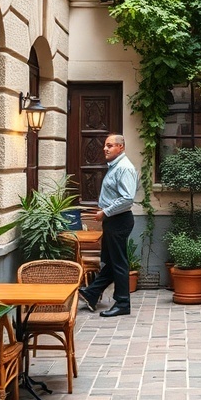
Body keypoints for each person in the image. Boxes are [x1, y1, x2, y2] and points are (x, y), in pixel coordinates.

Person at [79, 134, 138, 317]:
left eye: (110, 145)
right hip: (113, 220)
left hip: (119, 221)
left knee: (118, 263)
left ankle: (122, 304)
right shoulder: (115, 167)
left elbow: (127, 198)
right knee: (111, 263)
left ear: (121, 147)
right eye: (105, 145)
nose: (105, 148)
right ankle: (91, 293)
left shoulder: (124, 168)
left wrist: (105, 212)